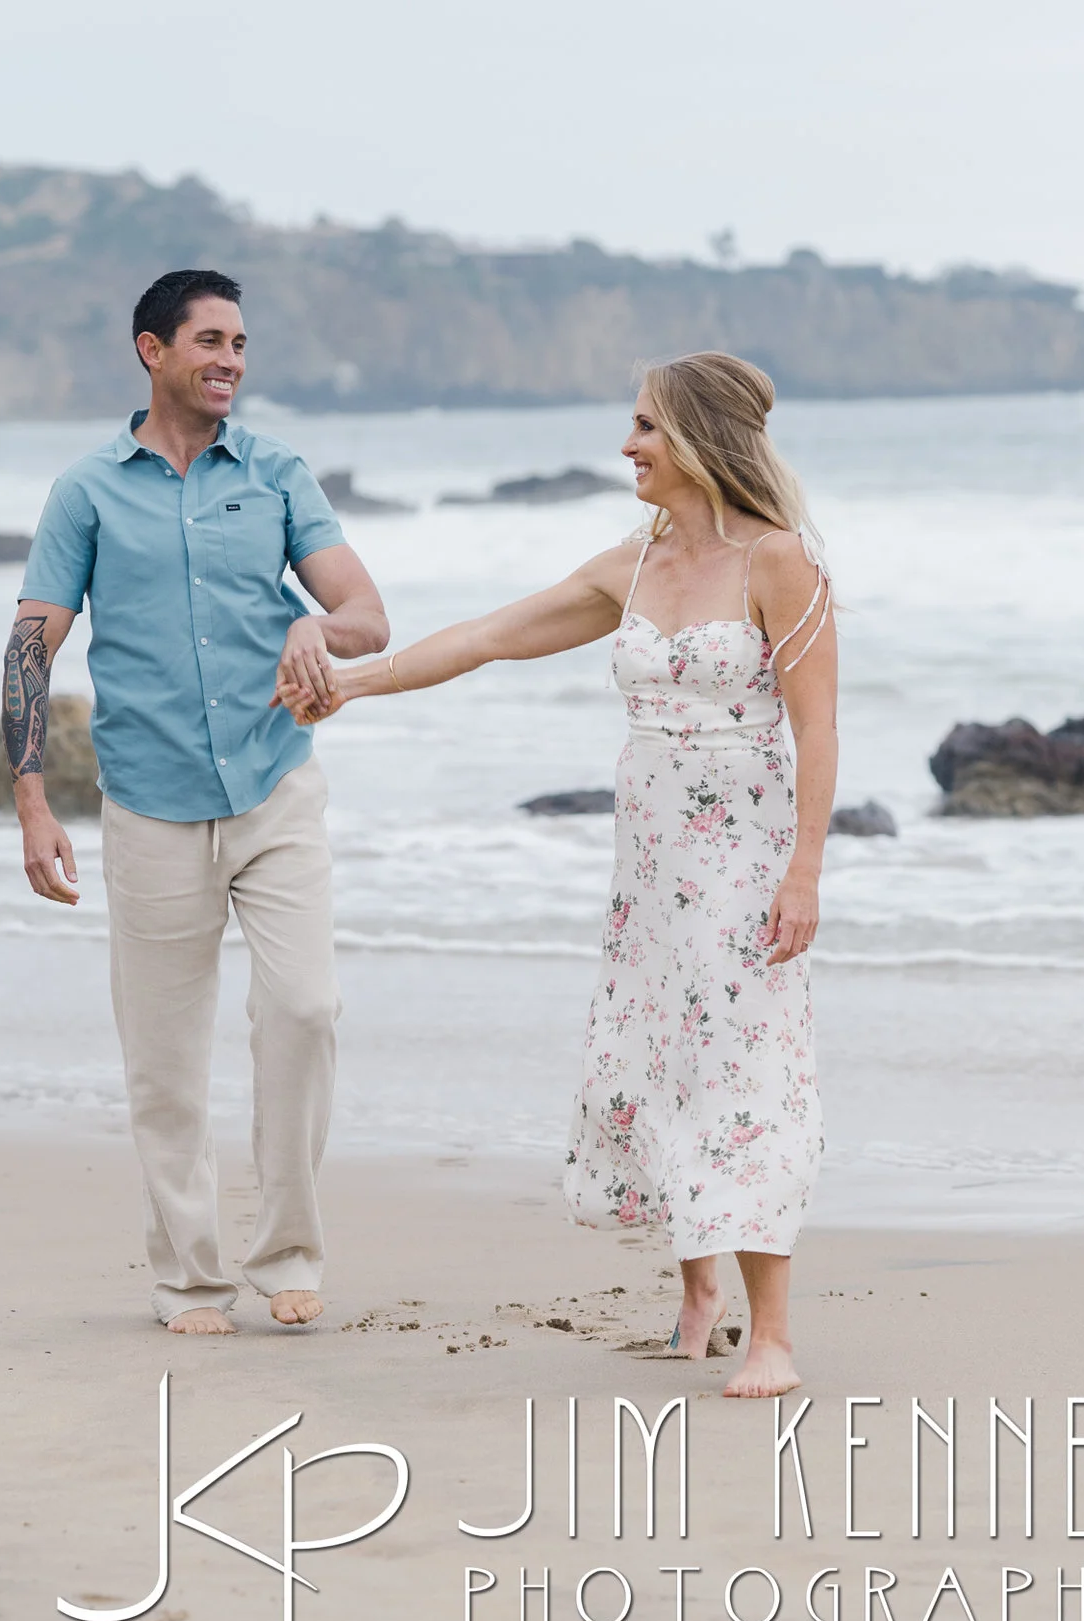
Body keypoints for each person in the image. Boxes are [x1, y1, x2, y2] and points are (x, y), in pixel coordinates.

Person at [283, 351, 833, 1397]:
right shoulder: (633, 565)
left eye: (647, 427)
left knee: (744, 1071)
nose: (628, 446)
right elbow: (486, 637)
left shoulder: (779, 562)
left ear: (700, 438)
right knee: (662, 1058)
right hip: (651, 867)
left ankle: (773, 1335)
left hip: (744, 861)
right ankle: (698, 1293)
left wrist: (804, 871)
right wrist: (352, 684)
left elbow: (820, 728)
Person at [3, 269, 390, 1335]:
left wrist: (315, 627)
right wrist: (33, 803)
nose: (231, 361)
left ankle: (290, 1251)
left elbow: (366, 614)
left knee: (306, 1010)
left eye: (241, 344)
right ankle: (189, 1279)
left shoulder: (275, 474)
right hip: (149, 805)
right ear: (153, 350)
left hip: (275, 788)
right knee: (166, 1063)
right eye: (211, 341)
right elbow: (32, 646)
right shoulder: (87, 491)